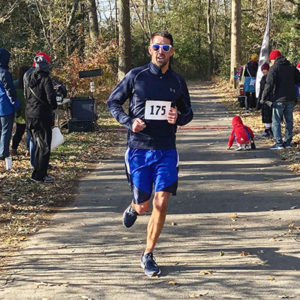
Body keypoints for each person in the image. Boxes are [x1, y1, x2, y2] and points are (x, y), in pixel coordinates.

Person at [107, 30, 193, 277]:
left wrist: (179, 117)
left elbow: (188, 112)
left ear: (172, 52)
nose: (161, 52)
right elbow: (112, 103)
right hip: (139, 149)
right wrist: (128, 121)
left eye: (166, 48)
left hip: (166, 149)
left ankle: (148, 254)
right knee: (144, 205)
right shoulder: (136, 76)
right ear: (150, 49)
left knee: (162, 200)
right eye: (157, 47)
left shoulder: (177, 81)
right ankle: (134, 207)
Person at [24, 52, 57, 182]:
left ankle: (36, 172)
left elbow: (27, 96)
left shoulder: (29, 77)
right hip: (42, 115)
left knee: (37, 144)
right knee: (44, 146)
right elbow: (51, 98)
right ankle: (40, 175)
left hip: (30, 115)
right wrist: (54, 106)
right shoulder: (46, 79)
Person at [261, 50, 300, 150]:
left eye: (271, 60)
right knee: (289, 121)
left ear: (274, 59)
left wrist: (263, 97)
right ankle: (287, 142)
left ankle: (279, 143)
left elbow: (269, 84)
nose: (271, 62)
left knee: (276, 122)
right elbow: (298, 80)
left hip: (278, 99)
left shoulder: (274, 68)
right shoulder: (291, 67)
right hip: (291, 98)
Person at [0, 48, 20, 160]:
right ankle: (3, 153)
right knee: (6, 130)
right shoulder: (4, 73)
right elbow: (10, 91)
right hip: (5, 106)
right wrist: (16, 105)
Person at [11, 66, 32, 157]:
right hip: (29, 110)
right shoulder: (30, 84)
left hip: (19, 111)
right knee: (29, 131)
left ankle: (14, 148)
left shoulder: (14, 84)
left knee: (19, 131)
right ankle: (28, 149)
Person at [256, 63, 273, 138]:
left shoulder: (270, 78)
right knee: (266, 115)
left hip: (269, 99)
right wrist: (259, 102)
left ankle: (269, 130)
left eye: (265, 70)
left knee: (269, 115)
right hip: (264, 99)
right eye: (263, 71)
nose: (264, 72)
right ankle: (268, 129)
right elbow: (261, 91)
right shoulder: (263, 78)